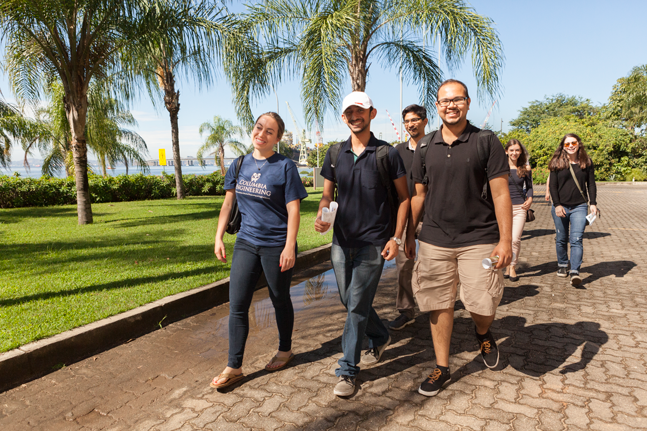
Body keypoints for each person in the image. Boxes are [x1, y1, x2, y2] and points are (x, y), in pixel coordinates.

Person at [408, 79, 512, 397]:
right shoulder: (425, 146)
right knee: (438, 304)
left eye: (457, 99)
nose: (451, 105)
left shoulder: (485, 141)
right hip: (435, 239)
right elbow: (418, 196)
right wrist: (408, 235)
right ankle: (442, 366)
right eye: (444, 101)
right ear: (436, 106)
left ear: (467, 103)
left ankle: (482, 330)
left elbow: (500, 193)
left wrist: (505, 241)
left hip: (479, 237)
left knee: (483, 299)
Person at [315, 91, 410, 397]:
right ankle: (380, 335)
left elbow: (405, 198)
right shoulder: (334, 153)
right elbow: (328, 195)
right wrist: (323, 212)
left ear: (372, 114)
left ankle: (347, 370)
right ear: (344, 118)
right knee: (348, 300)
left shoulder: (386, 154)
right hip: (341, 241)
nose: (355, 116)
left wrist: (396, 238)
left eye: (361, 111)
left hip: (374, 243)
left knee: (356, 306)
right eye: (349, 112)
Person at [210, 112, 308, 389]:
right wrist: (218, 237)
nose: (261, 134)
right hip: (246, 241)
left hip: (277, 245)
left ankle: (285, 350)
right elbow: (228, 205)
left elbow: (293, 209)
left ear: (277, 138)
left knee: (279, 298)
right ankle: (234, 366)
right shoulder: (239, 164)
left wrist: (290, 246)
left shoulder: (285, 166)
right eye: (258, 128)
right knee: (237, 304)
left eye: (269, 131)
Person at [388, 104, 428, 331]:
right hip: (405, 217)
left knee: (435, 264)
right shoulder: (397, 151)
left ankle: (437, 306)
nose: (411, 124)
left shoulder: (435, 146)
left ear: (424, 121)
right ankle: (406, 310)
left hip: (432, 215)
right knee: (403, 266)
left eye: (415, 120)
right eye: (407, 121)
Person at [548, 133, 598, 287]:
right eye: (567, 144)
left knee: (576, 239)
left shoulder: (586, 162)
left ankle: (575, 271)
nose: (571, 146)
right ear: (563, 146)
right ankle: (563, 264)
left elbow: (591, 184)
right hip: (560, 206)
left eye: (573, 142)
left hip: (579, 206)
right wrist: (557, 205)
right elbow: (553, 186)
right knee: (562, 238)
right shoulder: (557, 162)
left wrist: (593, 203)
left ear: (578, 143)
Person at [504, 139, 534, 282]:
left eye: (517, 150)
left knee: (515, 239)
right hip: (503, 208)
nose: (514, 153)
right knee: (505, 239)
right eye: (511, 150)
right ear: (506, 151)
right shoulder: (500, 168)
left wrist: (530, 198)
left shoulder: (525, 168)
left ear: (520, 151)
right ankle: (504, 264)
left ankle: (512, 266)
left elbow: (529, 187)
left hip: (520, 207)